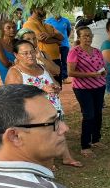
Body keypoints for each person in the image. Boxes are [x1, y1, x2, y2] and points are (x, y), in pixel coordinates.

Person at [6, 39, 82, 169]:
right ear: (16, 55)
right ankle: (46, 163)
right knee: (44, 136)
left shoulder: (41, 66)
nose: (30, 55)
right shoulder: (15, 72)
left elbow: (55, 82)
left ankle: (66, 158)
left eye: (32, 52)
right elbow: (13, 95)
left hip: (53, 108)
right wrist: (42, 89)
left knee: (59, 132)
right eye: (25, 53)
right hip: (33, 112)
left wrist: (55, 87)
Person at [68, 26, 107, 158]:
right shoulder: (75, 52)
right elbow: (71, 72)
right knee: (89, 115)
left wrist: (103, 72)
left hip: (99, 86)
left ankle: (96, 140)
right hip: (82, 88)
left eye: (90, 35)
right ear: (79, 37)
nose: (88, 38)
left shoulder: (97, 51)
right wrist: (91, 74)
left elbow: (101, 66)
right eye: (84, 36)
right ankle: (85, 146)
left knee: (98, 113)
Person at [23, 6, 65, 84]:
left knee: (58, 85)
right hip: (43, 58)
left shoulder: (47, 25)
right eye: (40, 8)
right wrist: (56, 40)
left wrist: (50, 35)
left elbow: (62, 37)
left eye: (43, 8)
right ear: (33, 9)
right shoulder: (29, 23)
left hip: (55, 58)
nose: (43, 10)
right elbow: (42, 39)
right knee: (48, 85)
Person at [45, 12, 72, 83]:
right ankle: (54, 77)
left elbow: (69, 31)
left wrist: (65, 38)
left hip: (65, 44)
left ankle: (64, 77)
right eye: (54, 11)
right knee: (54, 61)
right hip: (54, 45)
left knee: (64, 61)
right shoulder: (48, 21)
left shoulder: (66, 21)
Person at [0, 19, 18, 84]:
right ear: (2, 30)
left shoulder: (17, 42)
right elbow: (6, 64)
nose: (12, 30)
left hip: (21, 77)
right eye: (8, 28)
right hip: (9, 79)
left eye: (14, 27)